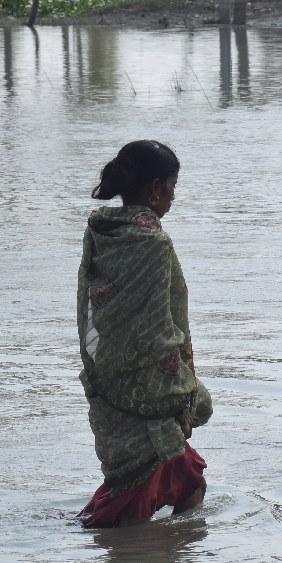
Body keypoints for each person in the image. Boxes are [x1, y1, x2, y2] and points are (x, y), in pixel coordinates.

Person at [77, 140, 212, 528]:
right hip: (148, 390)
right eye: (172, 186)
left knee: (181, 484)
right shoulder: (153, 242)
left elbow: (100, 312)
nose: (173, 197)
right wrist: (182, 389)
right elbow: (157, 328)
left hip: (110, 377)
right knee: (143, 503)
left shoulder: (103, 231)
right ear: (156, 187)